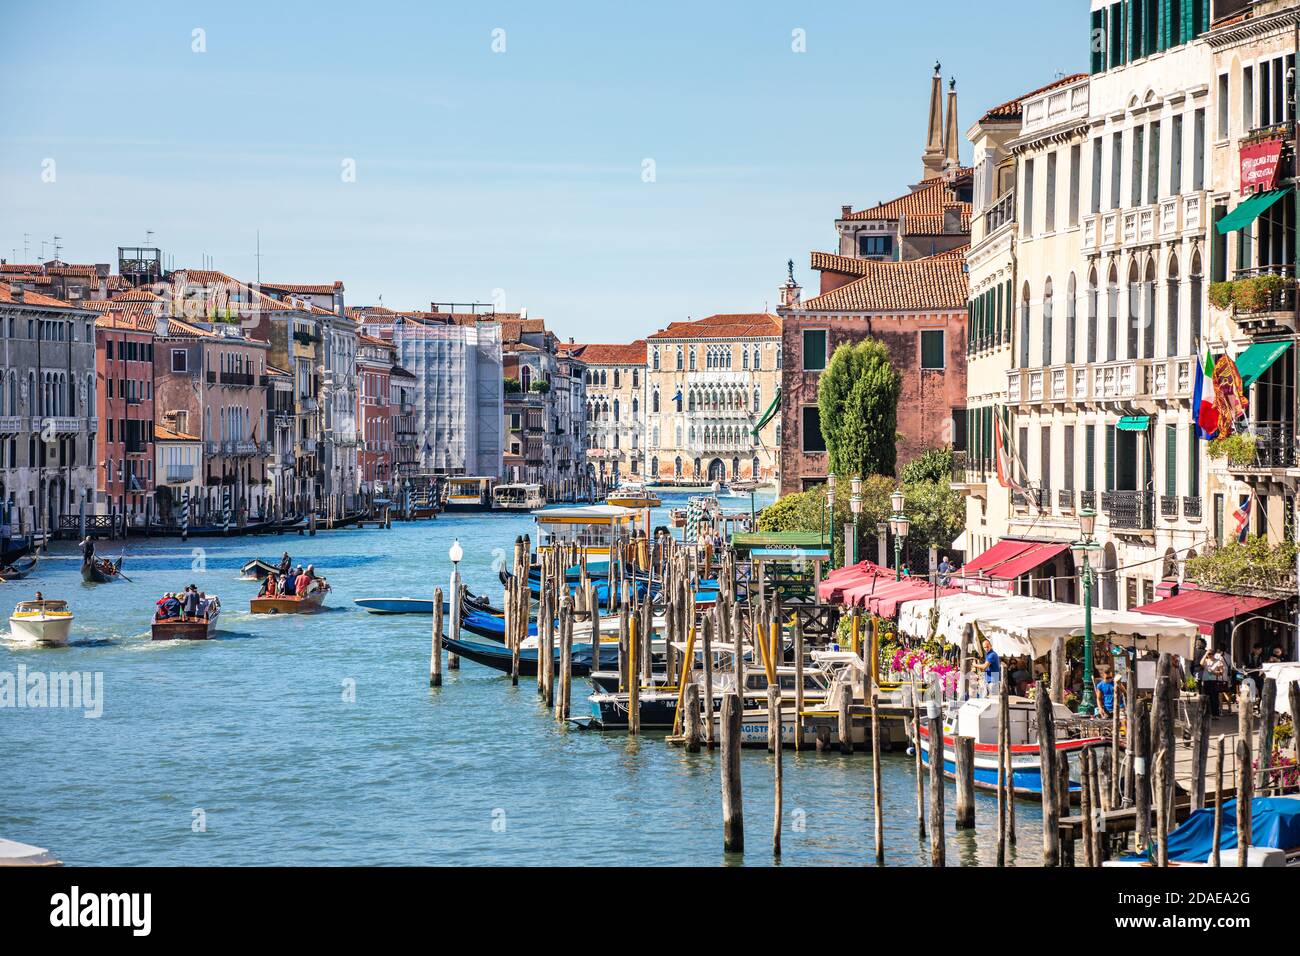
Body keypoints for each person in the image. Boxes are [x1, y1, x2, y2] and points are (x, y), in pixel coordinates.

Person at [1201, 646, 1228, 719]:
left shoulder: (1218, 661)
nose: (1209, 655)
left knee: (1214, 698)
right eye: (1209, 654)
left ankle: (1215, 714)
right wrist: (1205, 653)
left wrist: (1213, 672)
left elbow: (1221, 672)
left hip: (1214, 681)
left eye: (1211, 654)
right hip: (1206, 681)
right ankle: (1206, 714)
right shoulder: (1206, 661)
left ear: (1213, 654)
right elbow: (1201, 663)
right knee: (1205, 698)